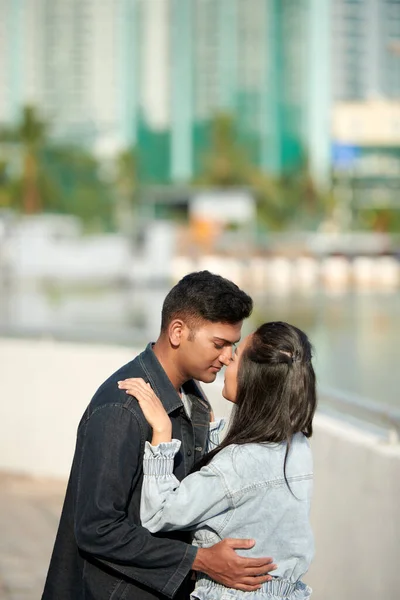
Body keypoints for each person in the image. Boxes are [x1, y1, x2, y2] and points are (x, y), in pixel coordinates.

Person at [42, 271, 277, 600]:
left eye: (233, 346)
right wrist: (201, 560)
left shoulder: (192, 399)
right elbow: (97, 528)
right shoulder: (122, 408)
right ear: (178, 332)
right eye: (219, 344)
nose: (227, 357)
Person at [117, 321, 317, 600]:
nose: (225, 360)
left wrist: (162, 430)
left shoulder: (238, 464)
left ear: (253, 377)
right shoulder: (296, 445)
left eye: (234, 357)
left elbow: (158, 514)